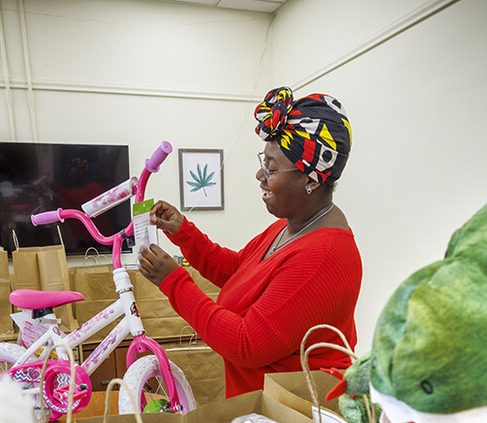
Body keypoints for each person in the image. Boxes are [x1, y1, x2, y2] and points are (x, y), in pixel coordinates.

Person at [138, 86, 362, 397]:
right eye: (263, 162)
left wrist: (174, 282)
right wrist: (183, 232)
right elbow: (238, 272)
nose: (260, 174)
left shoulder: (324, 257)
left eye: (272, 168)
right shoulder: (290, 228)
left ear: (311, 179)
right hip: (261, 413)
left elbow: (246, 344)